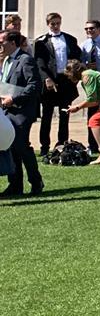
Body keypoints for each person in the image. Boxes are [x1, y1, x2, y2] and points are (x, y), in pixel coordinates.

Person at [0, 29, 44, 197]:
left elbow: (34, 86)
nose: (0, 45)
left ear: (12, 43)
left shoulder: (25, 60)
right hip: (7, 110)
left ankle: (36, 181)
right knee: (10, 147)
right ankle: (15, 185)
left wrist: (14, 98)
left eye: (2, 42)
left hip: (22, 111)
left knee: (21, 147)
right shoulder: (6, 61)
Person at [34, 12, 82, 160]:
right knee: (47, 116)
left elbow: (77, 58)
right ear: (48, 24)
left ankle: (62, 144)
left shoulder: (70, 39)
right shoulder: (41, 41)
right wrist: (46, 79)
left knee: (64, 115)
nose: (55, 26)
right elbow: (39, 63)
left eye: (57, 23)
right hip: (50, 80)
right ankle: (44, 146)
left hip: (65, 80)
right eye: (52, 24)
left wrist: (75, 76)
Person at [69, 60, 100, 161]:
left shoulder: (86, 76)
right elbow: (96, 100)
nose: (69, 77)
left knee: (94, 121)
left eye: (69, 74)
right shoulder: (88, 74)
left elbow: (92, 99)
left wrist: (77, 107)